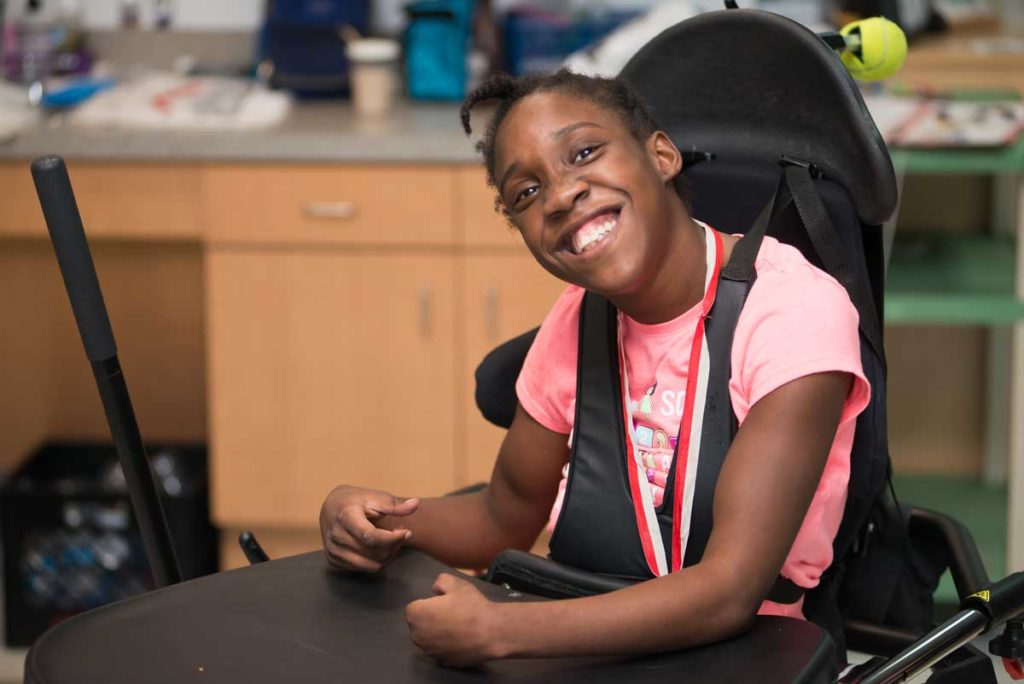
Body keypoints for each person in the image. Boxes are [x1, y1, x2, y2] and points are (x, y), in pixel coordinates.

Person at [319, 69, 870, 667]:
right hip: (589, 636)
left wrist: (502, 630)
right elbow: (500, 517)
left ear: (661, 155)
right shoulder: (576, 323)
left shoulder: (790, 310)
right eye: (526, 194)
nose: (559, 196)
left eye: (583, 153)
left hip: (747, 653)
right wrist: (377, 516)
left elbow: (729, 593)